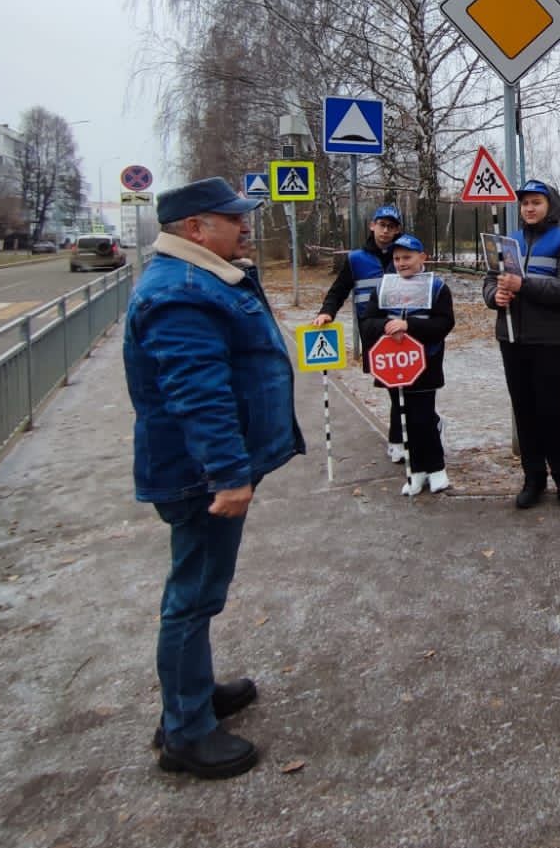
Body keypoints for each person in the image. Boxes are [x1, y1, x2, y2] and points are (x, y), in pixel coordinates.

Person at [124, 177, 306, 780]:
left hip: (204, 470)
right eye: (233, 218)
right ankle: (185, 731)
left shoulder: (200, 277)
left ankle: (193, 696)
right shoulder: (180, 292)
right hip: (199, 477)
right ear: (196, 229)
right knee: (192, 598)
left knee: (199, 592)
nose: (246, 224)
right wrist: (228, 473)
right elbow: (198, 394)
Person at [482, 179, 560, 509]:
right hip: (511, 337)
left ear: (549, 205)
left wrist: (522, 285)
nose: (529, 208)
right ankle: (533, 477)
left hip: (549, 339)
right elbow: (489, 279)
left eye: (536, 202)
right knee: (523, 408)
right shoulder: (506, 241)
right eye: (525, 202)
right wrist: (494, 296)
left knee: (549, 408)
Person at [359, 234, 456, 497]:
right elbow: (367, 323)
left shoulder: (436, 286)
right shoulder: (383, 287)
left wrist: (410, 326)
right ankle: (416, 471)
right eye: (397, 258)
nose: (401, 263)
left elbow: (444, 323)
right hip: (392, 364)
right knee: (403, 415)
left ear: (422, 257)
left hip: (426, 362)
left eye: (407, 257)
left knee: (423, 415)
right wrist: (387, 327)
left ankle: (436, 469)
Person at [312, 205, 404, 461]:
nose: (386, 231)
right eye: (382, 225)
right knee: (390, 383)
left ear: (397, 230)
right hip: (373, 331)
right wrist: (326, 312)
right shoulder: (356, 259)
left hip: (402, 330)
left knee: (401, 384)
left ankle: (399, 439)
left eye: (391, 226)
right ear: (372, 226)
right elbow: (339, 289)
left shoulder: (404, 254)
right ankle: (421, 424)